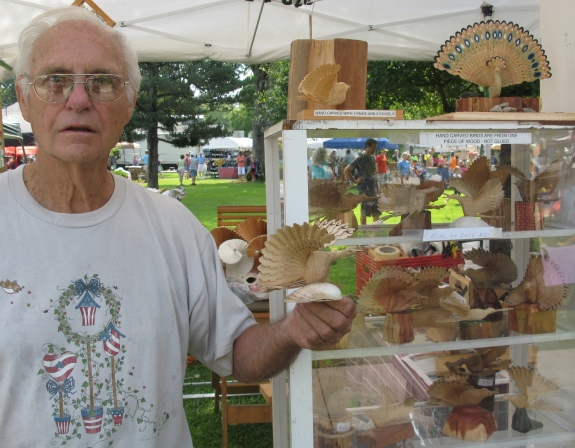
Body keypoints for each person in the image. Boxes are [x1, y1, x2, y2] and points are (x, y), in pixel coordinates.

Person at [0, 8, 356, 447]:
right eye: (55, 80)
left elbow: (237, 353)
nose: (78, 100)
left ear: (128, 103)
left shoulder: (172, 227)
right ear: (24, 96)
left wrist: (290, 332)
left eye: (103, 82)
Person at [344, 139, 379, 225]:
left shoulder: (372, 158)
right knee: (364, 212)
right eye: (373, 147)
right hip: (364, 189)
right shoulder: (360, 158)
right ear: (367, 146)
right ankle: (364, 231)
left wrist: (377, 187)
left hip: (372, 188)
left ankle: (376, 231)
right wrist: (355, 181)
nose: (375, 149)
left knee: (376, 211)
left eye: (375, 147)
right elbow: (346, 170)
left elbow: (374, 173)